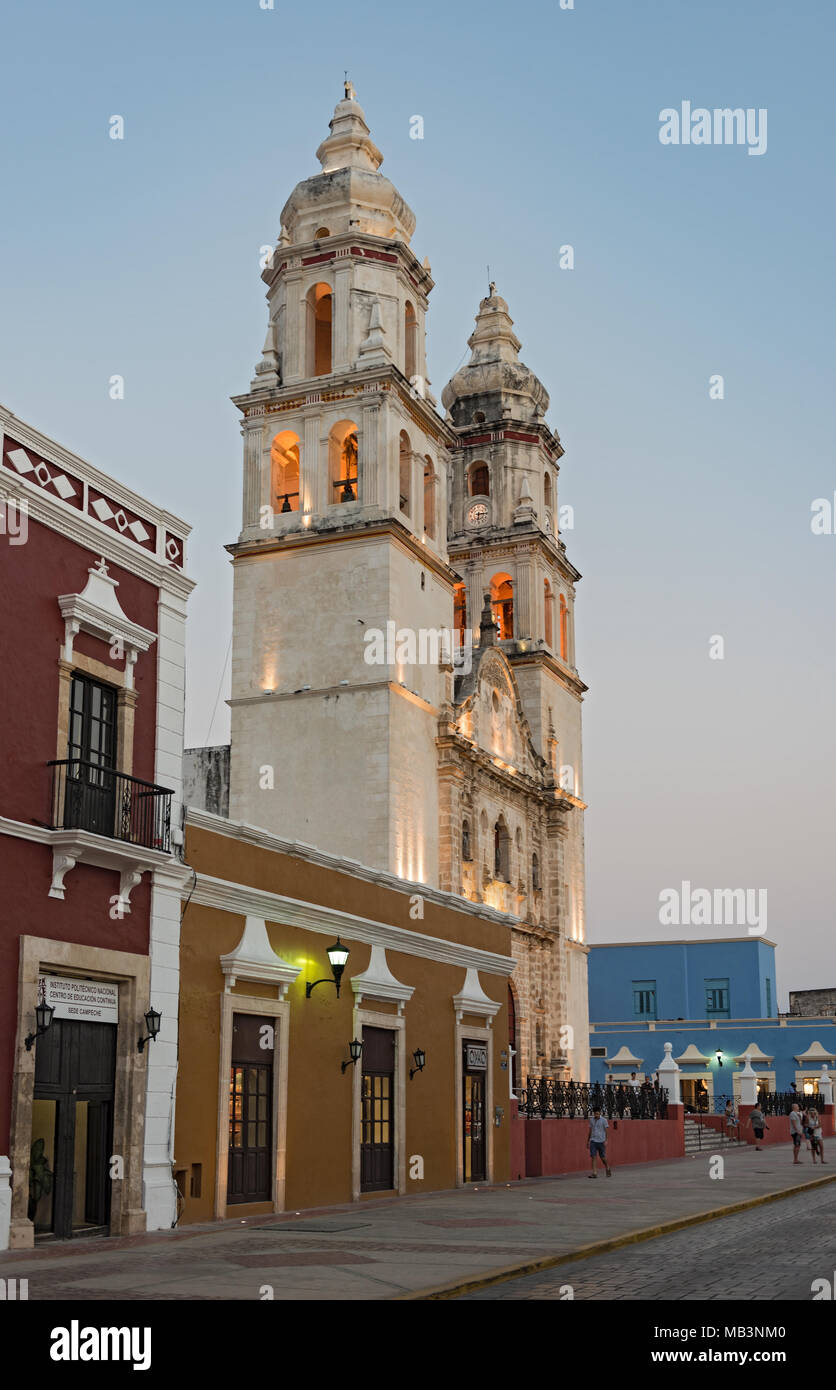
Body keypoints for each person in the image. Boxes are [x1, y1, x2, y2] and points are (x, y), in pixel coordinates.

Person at [587, 1107, 612, 1178]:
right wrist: (588, 1140)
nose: (596, 1115)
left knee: (602, 1157)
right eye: (595, 1114)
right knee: (593, 1156)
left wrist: (606, 1140)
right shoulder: (591, 1120)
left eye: (597, 1114)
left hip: (601, 1141)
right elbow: (590, 1131)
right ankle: (594, 1173)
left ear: (600, 1113)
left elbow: (606, 1131)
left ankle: (607, 1167)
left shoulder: (604, 1120)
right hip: (593, 1141)